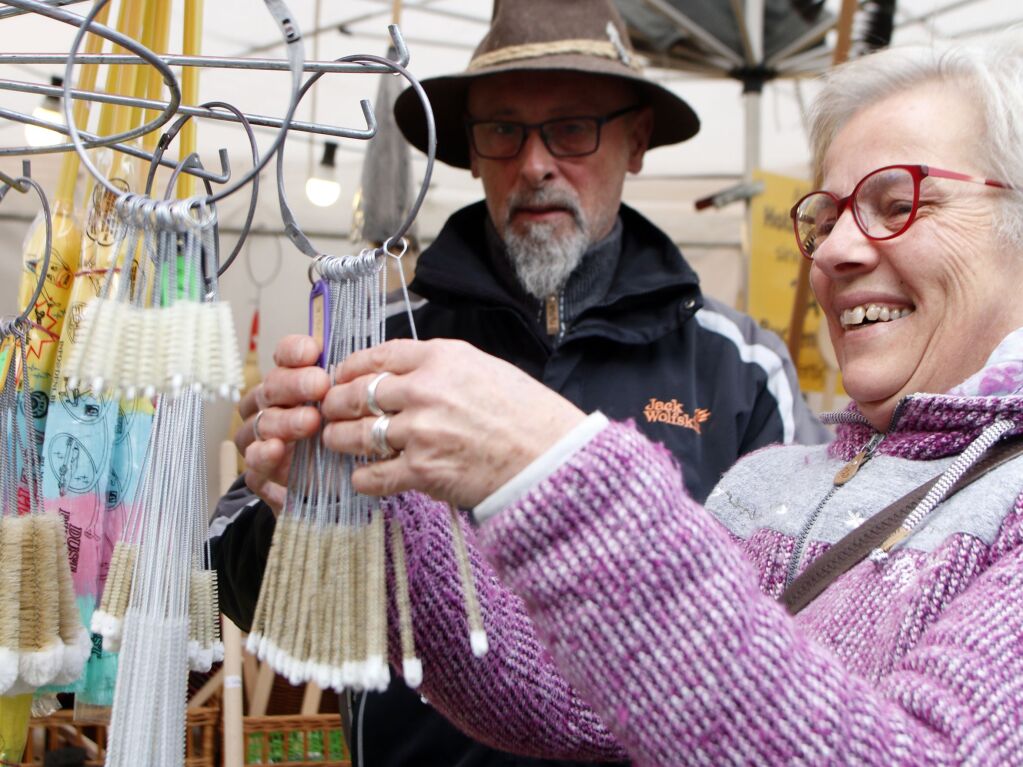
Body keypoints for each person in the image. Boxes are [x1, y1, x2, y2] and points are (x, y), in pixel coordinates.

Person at [247, 28, 1023, 765]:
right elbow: (586, 704)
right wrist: (374, 504)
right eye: (825, 216)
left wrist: (549, 465)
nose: (839, 251)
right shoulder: (771, 484)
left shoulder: (746, 365)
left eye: (897, 204)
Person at [212, 0, 825, 764]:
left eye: (572, 128)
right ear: (471, 151)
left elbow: (816, 610)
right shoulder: (379, 343)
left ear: (636, 141)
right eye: (503, 130)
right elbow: (242, 589)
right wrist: (286, 500)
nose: (534, 163)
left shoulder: (735, 367)